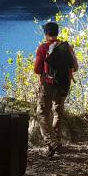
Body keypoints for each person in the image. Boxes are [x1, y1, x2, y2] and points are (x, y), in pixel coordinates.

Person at [33, 21, 79, 157]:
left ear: (46, 34)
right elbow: (75, 67)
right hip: (64, 83)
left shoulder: (43, 48)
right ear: (57, 33)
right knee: (58, 111)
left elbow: (37, 70)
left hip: (48, 84)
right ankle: (56, 142)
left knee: (42, 113)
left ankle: (52, 142)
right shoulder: (66, 47)